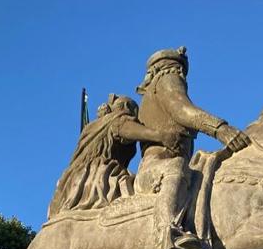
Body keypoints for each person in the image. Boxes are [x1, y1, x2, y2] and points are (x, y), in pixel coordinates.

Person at [135, 46, 251, 249]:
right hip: (157, 166)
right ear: (163, 68)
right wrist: (220, 129)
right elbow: (182, 110)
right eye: (177, 67)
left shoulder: (162, 83)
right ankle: (168, 237)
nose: (179, 73)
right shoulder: (165, 81)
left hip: (177, 165)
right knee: (175, 168)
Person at [48, 93, 182, 218]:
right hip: (98, 175)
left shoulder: (93, 127)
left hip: (74, 179)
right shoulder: (117, 120)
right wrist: (160, 136)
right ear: (127, 108)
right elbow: (125, 129)